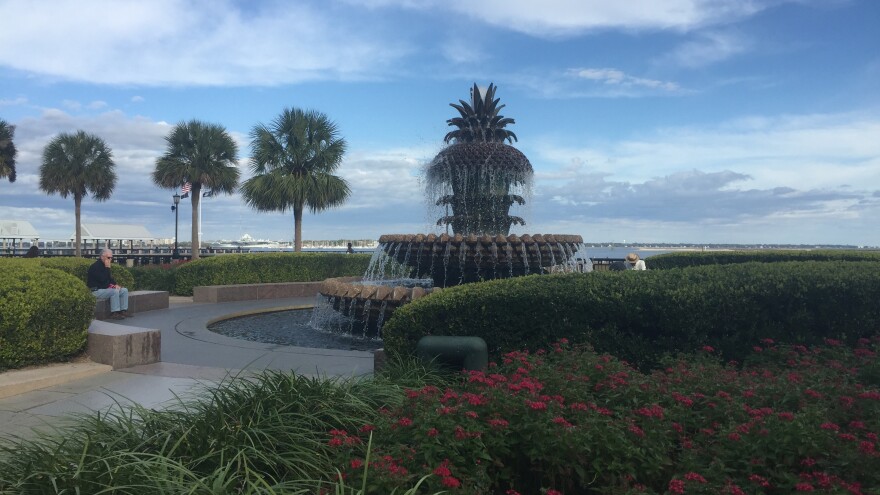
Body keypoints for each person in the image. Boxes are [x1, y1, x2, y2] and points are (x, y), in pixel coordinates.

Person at [87, 248, 129, 319]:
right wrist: (107, 268)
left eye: (111, 257)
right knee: (114, 292)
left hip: (104, 289)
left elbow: (109, 279)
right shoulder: (95, 267)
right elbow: (102, 280)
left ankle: (123, 311)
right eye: (108, 257)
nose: (110, 259)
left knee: (124, 290)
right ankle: (114, 313)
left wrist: (115, 285)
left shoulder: (105, 265)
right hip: (96, 290)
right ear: (102, 257)